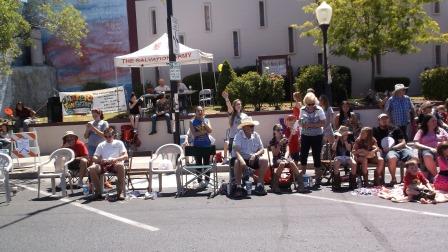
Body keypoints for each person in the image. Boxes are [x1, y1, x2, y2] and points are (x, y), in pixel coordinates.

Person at [87, 127, 128, 201]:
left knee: (120, 166)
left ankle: (120, 192)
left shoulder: (119, 143)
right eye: (105, 136)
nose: (107, 138)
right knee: (92, 168)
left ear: (113, 135)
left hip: (115, 163)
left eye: (109, 136)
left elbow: (126, 156)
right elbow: (95, 157)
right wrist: (99, 160)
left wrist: (116, 159)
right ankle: (98, 192)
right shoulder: (101, 144)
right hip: (104, 163)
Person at [232, 117, 269, 197]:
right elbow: (236, 151)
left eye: (253, 126)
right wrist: (242, 162)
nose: (253, 127)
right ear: (244, 127)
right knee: (237, 162)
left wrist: (255, 155)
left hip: (253, 158)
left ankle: (259, 185)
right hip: (242, 158)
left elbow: (262, 149)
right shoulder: (238, 135)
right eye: (251, 126)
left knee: (265, 160)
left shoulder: (256, 135)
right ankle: (238, 187)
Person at [373, 113, 413, 186]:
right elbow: (373, 144)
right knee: (392, 157)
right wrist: (379, 149)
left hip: (399, 149)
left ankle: (409, 179)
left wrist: (393, 147)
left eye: (386, 118)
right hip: (388, 152)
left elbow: (403, 142)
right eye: (382, 119)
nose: (384, 120)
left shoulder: (395, 129)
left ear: (388, 120)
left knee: (412, 156)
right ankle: (393, 179)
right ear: (378, 121)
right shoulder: (375, 130)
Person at [298, 92, 326, 188]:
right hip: (305, 135)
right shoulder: (302, 109)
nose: (310, 106)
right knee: (303, 155)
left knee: (316, 155)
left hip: (317, 135)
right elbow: (300, 122)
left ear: (315, 103)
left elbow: (323, 123)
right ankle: (303, 176)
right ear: (305, 103)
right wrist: (303, 123)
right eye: (308, 104)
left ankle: (318, 178)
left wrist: (310, 125)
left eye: (312, 104)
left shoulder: (319, 109)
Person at [269, 124, 306, 193]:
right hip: (277, 158)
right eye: (278, 130)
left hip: (285, 157)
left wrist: (285, 158)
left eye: (281, 130)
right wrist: (279, 144)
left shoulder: (284, 138)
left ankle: (301, 185)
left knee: (292, 162)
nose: (280, 131)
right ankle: (275, 185)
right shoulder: (272, 141)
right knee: (282, 163)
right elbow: (275, 153)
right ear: (274, 131)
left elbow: (288, 150)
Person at [413, 114, 448, 181]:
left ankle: (437, 176)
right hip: (426, 150)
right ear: (427, 122)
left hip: (441, 150)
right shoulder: (421, 131)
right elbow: (416, 143)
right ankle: (437, 177)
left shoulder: (441, 130)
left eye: (435, 121)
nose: (435, 122)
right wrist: (429, 148)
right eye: (432, 121)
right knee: (427, 155)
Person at [83, 108, 111, 188]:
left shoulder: (104, 123)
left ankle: (104, 182)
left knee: (101, 163)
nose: (94, 115)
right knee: (92, 164)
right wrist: (88, 129)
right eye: (92, 113)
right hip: (91, 147)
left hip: (101, 147)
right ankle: (92, 184)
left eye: (95, 113)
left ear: (99, 114)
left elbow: (105, 135)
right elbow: (85, 136)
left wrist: (93, 128)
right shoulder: (90, 123)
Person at [189, 106, 213, 189]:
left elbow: (210, 130)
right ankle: (200, 181)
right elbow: (194, 134)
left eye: (201, 110)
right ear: (195, 112)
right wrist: (205, 131)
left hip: (207, 145)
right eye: (198, 111)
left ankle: (207, 181)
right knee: (198, 164)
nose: (200, 112)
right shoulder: (192, 121)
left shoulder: (206, 120)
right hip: (197, 146)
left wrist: (204, 122)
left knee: (207, 164)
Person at [222, 91, 248, 163]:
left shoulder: (245, 115)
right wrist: (227, 98)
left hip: (243, 138)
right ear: (234, 106)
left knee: (242, 158)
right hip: (233, 138)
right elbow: (229, 107)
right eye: (237, 104)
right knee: (233, 159)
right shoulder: (232, 114)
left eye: (240, 104)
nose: (239, 105)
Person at [331, 126, 357, 190]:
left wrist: (345, 141)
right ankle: (337, 183)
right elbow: (333, 148)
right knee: (336, 163)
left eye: (346, 134)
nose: (345, 135)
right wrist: (337, 140)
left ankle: (352, 183)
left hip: (347, 157)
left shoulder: (349, 139)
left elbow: (349, 149)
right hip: (338, 157)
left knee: (354, 164)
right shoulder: (336, 138)